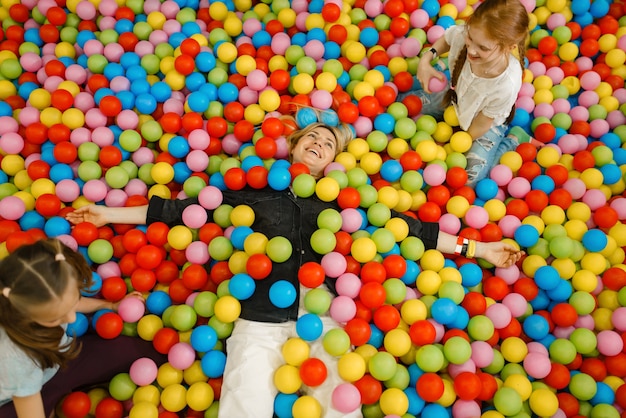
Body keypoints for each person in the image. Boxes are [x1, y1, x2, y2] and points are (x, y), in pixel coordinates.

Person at [67, 116, 524, 417]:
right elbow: (178, 210)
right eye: (313, 137)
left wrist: (478, 249)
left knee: (338, 404)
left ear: (333, 161)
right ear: (293, 146)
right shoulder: (255, 192)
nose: (320, 144)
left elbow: (412, 230)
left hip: (324, 315)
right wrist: (108, 215)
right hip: (260, 314)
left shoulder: (347, 202)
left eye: (328, 144)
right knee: (243, 402)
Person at [0, 238, 166, 418]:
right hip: (15, 396)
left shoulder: (48, 288)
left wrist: (110, 306)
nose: (71, 318)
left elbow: (68, 302)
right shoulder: (14, 356)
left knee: (152, 352)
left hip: (59, 362)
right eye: (56, 317)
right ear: (22, 315)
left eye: (71, 305)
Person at [400, 0, 539, 185]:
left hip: (484, 124)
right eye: (471, 39)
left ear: (510, 47)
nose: (471, 49)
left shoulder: (506, 83)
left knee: (470, 180)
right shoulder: (465, 34)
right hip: (455, 99)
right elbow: (447, 39)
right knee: (403, 104)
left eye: (483, 48)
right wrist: (426, 59)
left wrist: (453, 145)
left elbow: (482, 123)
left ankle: (513, 139)